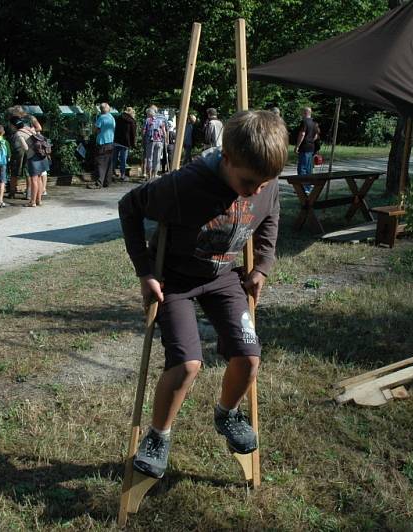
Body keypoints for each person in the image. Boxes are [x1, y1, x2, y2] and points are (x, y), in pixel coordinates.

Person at [118, 110, 288, 480]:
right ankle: (158, 436)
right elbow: (129, 207)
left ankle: (227, 413)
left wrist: (261, 266)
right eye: (249, 182)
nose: (257, 190)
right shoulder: (184, 185)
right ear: (226, 159)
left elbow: (271, 212)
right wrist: (145, 271)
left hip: (225, 278)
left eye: (265, 182)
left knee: (249, 357)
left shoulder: (265, 180)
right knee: (188, 364)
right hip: (175, 280)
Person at [90, 102, 116, 189]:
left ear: (101, 110)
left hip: (102, 143)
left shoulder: (101, 118)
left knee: (100, 163)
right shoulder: (112, 118)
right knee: (109, 163)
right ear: (108, 109)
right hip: (111, 143)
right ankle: (107, 182)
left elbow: (95, 130)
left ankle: (99, 183)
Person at [11, 116, 35, 202]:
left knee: (14, 172)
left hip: (19, 153)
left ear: (13, 126)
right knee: (28, 173)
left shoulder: (17, 134)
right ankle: (28, 193)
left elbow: (16, 146)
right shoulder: (28, 130)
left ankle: (12, 192)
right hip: (30, 154)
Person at [295, 107, 319, 176]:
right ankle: (308, 186)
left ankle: (303, 186)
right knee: (309, 168)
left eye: (302, 112)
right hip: (311, 147)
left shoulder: (304, 122)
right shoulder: (314, 123)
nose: (301, 114)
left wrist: (297, 146)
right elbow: (316, 136)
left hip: (304, 148)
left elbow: (302, 134)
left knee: (302, 168)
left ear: (305, 113)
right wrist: (311, 141)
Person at [143, 107, 166, 180]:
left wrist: (143, 139)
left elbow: (143, 131)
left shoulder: (147, 120)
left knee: (149, 158)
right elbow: (164, 131)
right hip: (159, 141)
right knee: (157, 158)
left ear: (149, 114)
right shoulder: (160, 120)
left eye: (147, 114)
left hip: (150, 141)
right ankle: (154, 175)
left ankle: (149, 175)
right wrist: (165, 139)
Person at [114, 106, 137, 181]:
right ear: (132, 113)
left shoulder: (118, 118)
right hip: (125, 142)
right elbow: (133, 134)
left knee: (114, 158)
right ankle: (122, 175)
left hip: (117, 141)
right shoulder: (132, 121)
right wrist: (133, 144)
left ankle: (111, 173)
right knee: (123, 159)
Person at [30, 116, 48, 196]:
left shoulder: (36, 134)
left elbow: (38, 128)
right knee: (41, 173)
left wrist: (30, 131)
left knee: (41, 173)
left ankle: (43, 189)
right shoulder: (41, 136)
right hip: (41, 152)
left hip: (39, 152)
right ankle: (42, 190)